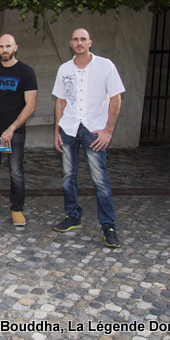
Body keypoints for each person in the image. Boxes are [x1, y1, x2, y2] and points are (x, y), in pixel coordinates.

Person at [52, 28, 124, 248]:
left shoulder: (105, 66)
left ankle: (108, 226)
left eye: (83, 39)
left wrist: (108, 130)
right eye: (75, 39)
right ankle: (72, 215)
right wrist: (56, 130)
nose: (79, 42)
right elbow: (60, 101)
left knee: (100, 180)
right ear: (71, 43)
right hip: (69, 128)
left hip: (94, 130)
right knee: (67, 176)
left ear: (90, 42)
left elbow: (116, 98)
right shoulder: (64, 69)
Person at [0, 34, 38, 226]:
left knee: (16, 172)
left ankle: (17, 209)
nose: (4, 50)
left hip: (15, 131)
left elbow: (30, 105)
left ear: (15, 47)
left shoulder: (26, 72)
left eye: (8, 46)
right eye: (1, 46)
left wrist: (12, 128)